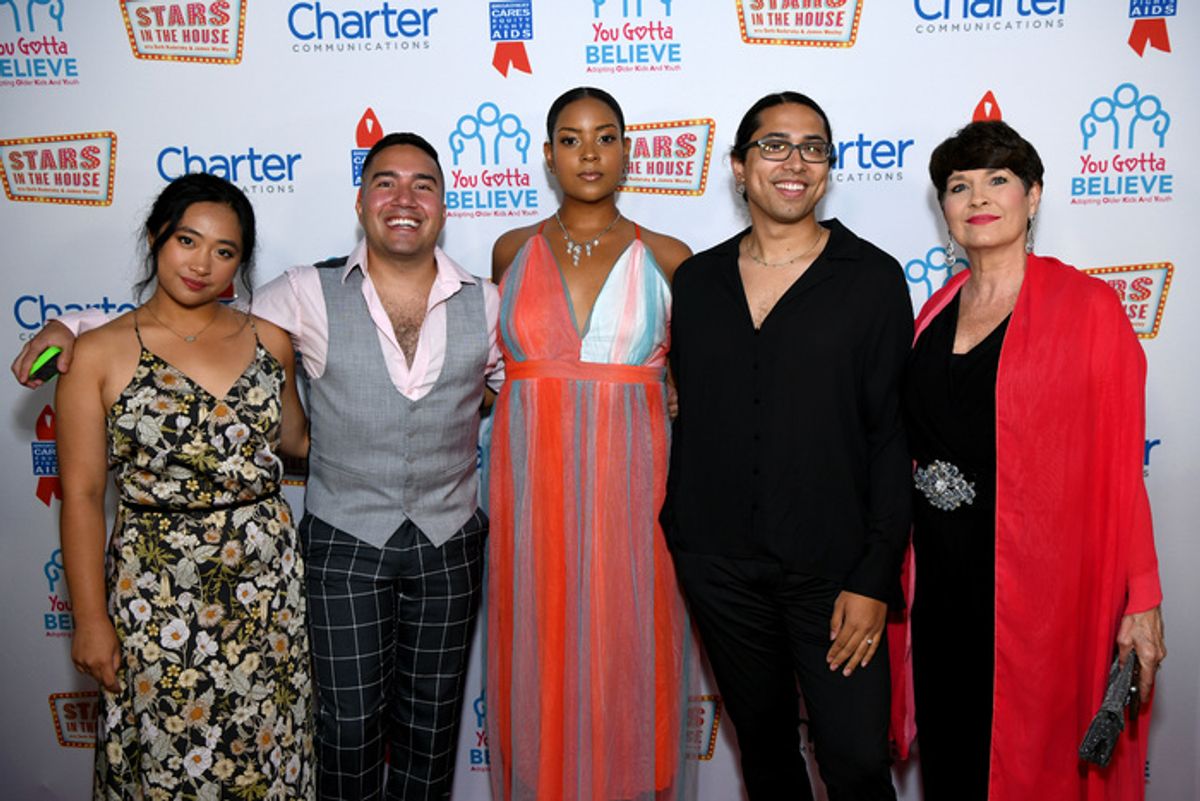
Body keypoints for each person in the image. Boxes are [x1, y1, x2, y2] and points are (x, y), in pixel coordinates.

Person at [16, 133, 504, 801]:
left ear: (444, 207)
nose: (404, 198)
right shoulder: (302, 294)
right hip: (336, 545)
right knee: (345, 733)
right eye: (385, 181)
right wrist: (70, 325)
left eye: (423, 184)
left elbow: (536, 378)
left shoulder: (491, 301)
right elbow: (184, 321)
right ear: (361, 202)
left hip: (442, 545)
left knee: (431, 730)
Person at [898, 119, 1165, 801]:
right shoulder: (933, 311)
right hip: (940, 582)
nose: (978, 197)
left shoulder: (1088, 308)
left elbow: (1118, 472)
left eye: (998, 179)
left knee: (1035, 763)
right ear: (945, 208)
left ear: (1034, 195)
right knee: (955, 753)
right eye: (959, 185)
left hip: (1041, 590)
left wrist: (1141, 597)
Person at [663, 92, 912, 801]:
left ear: (829, 170)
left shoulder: (871, 277)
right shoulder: (698, 280)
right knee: (766, 755)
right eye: (774, 145)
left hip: (835, 571)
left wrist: (874, 576)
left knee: (858, 759)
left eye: (813, 147)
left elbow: (891, 435)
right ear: (739, 167)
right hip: (718, 564)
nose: (794, 161)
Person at [55, 173, 314, 799]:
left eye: (224, 252)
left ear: (240, 264)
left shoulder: (270, 341)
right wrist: (90, 620)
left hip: (266, 595)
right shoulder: (98, 354)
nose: (203, 264)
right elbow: (84, 496)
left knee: (268, 755)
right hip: (158, 597)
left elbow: (298, 443)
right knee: (168, 761)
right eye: (187, 241)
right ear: (155, 240)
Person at [487, 86, 696, 801]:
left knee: (627, 656)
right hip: (531, 502)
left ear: (628, 151)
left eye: (605, 136)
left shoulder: (670, 257)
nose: (589, 153)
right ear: (547, 155)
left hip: (633, 501)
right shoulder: (510, 250)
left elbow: (696, 390)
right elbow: (494, 375)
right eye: (571, 139)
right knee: (541, 654)